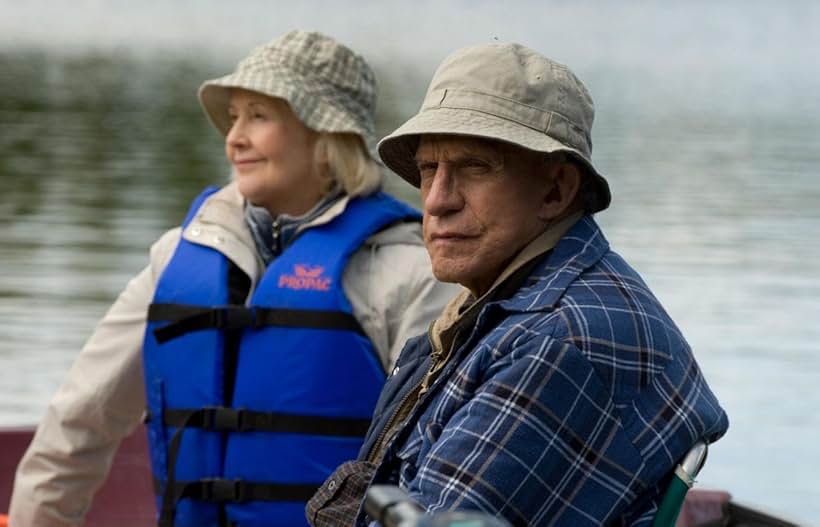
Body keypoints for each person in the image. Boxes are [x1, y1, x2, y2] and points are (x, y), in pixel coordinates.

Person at [9, 30, 459, 527]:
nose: (234, 138)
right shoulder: (176, 259)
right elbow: (79, 426)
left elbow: (436, 471)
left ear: (325, 136)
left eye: (259, 116)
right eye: (233, 117)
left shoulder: (407, 274)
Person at [306, 41, 729, 526]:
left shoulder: (556, 341)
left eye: (474, 167)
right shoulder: (512, 302)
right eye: (428, 170)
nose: (437, 201)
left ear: (555, 190)